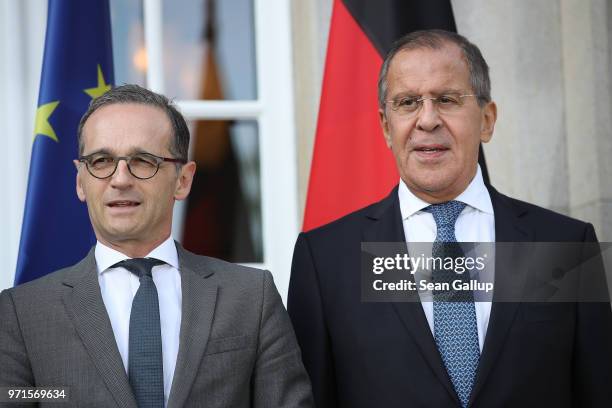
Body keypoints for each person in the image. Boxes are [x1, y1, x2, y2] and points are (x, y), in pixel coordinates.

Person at [288, 30, 612, 407]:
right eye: (408, 102)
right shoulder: (326, 258)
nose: (427, 120)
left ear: (487, 120)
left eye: (447, 99)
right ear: (386, 127)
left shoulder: (565, 245)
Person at [0, 84, 313, 408]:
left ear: (183, 179)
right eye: (102, 160)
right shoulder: (22, 315)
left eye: (143, 160)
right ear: (81, 180)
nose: (120, 179)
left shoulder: (252, 298)